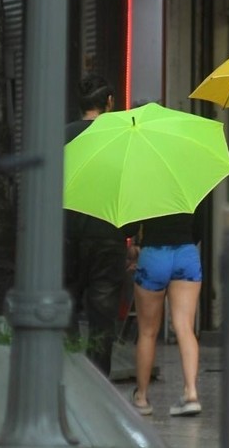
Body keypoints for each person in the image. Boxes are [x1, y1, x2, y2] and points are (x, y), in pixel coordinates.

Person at [65, 73, 130, 376]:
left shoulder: (61, 137)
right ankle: (98, 382)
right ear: (109, 102)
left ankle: (68, 374)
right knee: (102, 319)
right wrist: (131, 234)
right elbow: (129, 190)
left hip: (66, 237)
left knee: (63, 309)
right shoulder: (121, 140)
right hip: (107, 237)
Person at [129, 212, 202, 417]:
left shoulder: (143, 182)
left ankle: (142, 397)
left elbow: (128, 228)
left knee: (147, 332)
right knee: (185, 327)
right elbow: (201, 226)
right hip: (186, 253)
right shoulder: (187, 181)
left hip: (153, 253)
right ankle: (191, 394)